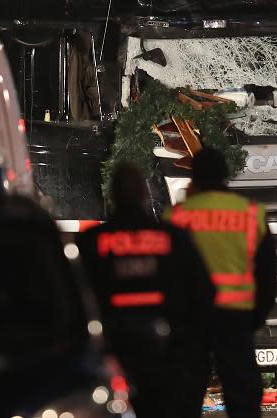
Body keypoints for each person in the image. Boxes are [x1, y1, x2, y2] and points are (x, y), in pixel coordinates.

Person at [77, 162, 215, 418]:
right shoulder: (172, 237)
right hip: (171, 357)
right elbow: (202, 292)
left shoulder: (91, 241)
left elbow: (77, 299)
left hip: (114, 356)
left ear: (113, 195)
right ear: (144, 193)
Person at [163, 147, 277, 418]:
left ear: (194, 178)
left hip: (191, 319)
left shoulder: (177, 216)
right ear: (226, 175)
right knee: (242, 392)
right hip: (236, 316)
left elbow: (166, 273)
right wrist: (257, 315)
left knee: (186, 392)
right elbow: (268, 272)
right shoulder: (250, 213)